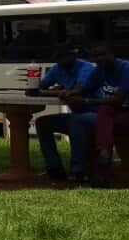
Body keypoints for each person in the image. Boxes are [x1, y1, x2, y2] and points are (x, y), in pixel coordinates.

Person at [70, 43, 129, 188]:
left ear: (112, 54)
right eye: (96, 56)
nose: (100, 58)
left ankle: (101, 171)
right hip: (116, 118)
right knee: (103, 116)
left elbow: (118, 100)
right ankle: (101, 162)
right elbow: (84, 88)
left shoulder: (128, 69)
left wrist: (86, 100)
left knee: (101, 124)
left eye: (103, 54)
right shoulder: (99, 71)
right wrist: (70, 92)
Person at [30, 45, 97, 181]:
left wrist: (52, 92)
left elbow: (76, 91)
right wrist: (53, 91)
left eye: (63, 57)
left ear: (73, 56)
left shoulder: (86, 67)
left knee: (76, 121)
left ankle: (78, 171)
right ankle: (54, 168)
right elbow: (38, 89)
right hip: (77, 114)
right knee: (43, 123)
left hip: (97, 113)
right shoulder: (57, 69)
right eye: (57, 58)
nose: (60, 61)